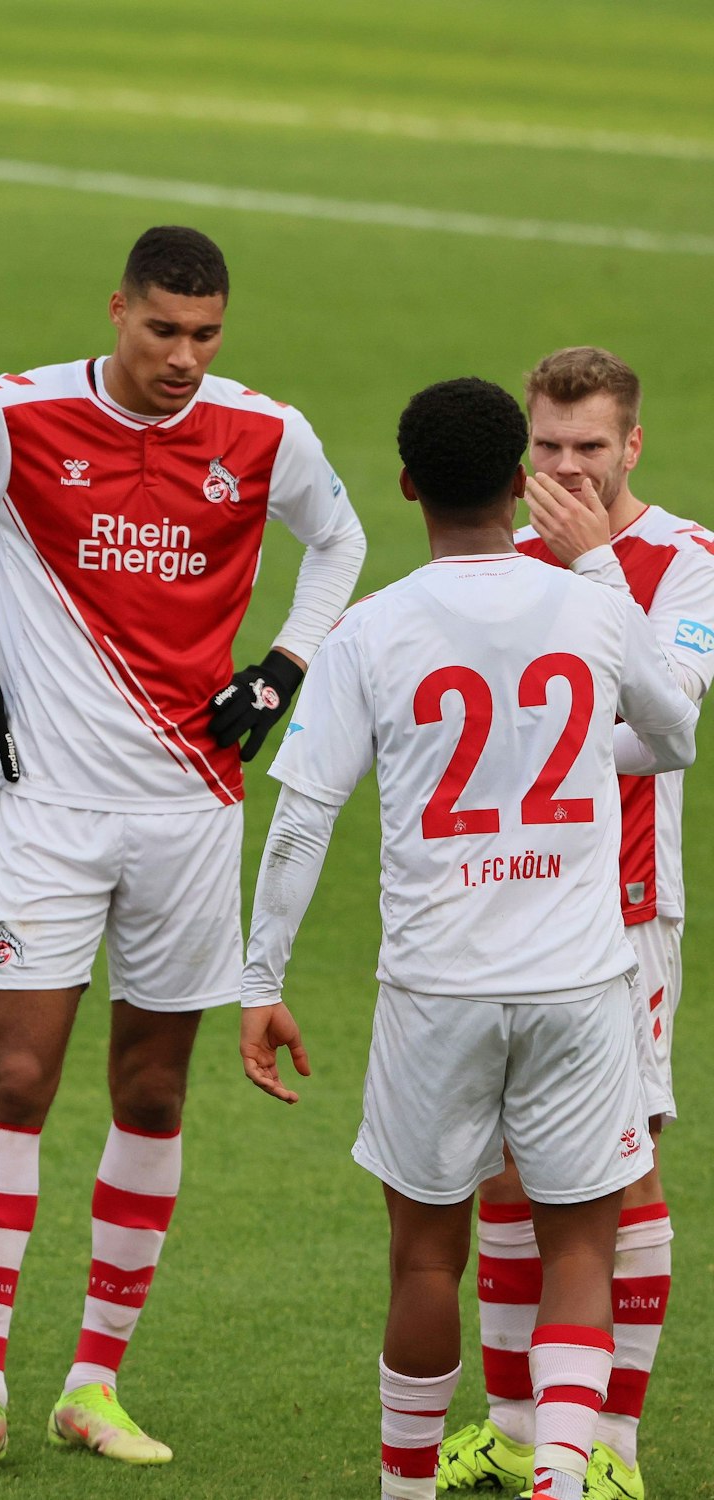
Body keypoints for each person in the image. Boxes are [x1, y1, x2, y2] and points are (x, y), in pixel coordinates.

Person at [0, 225, 367, 1471]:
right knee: (15, 1078)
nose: (183, 358)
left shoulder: (263, 434)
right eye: (161, 331)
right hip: (46, 810)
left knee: (151, 1090)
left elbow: (338, 541)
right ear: (116, 311)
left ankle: (93, 1382)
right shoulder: (8, 418)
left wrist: (284, 664)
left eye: (204, 336)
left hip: (192, 812)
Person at [238, 377, 699, 1500]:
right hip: (581, 983)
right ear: (518, 483)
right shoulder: (594, 608)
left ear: (406, 489)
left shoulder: (371, 628)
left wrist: (260, 977)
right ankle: (559, 1478)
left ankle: (403, 1488)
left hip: (435, 989)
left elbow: (300, 817)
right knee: (579, 1246)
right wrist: (593, 573)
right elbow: (673, 733)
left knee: (424, 1255)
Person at [436, 348, 714, 1499]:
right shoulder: (494, 562)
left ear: (629, 447)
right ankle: (512, 1426)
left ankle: (612, 1448)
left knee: (620, 1173)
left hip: (621, 910)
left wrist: (594, 564)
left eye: (586, 449)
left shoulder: (682, 560)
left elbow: (666, 721)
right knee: (503, 1176)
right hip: (499, 907)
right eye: (544, 449)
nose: (560, 470)